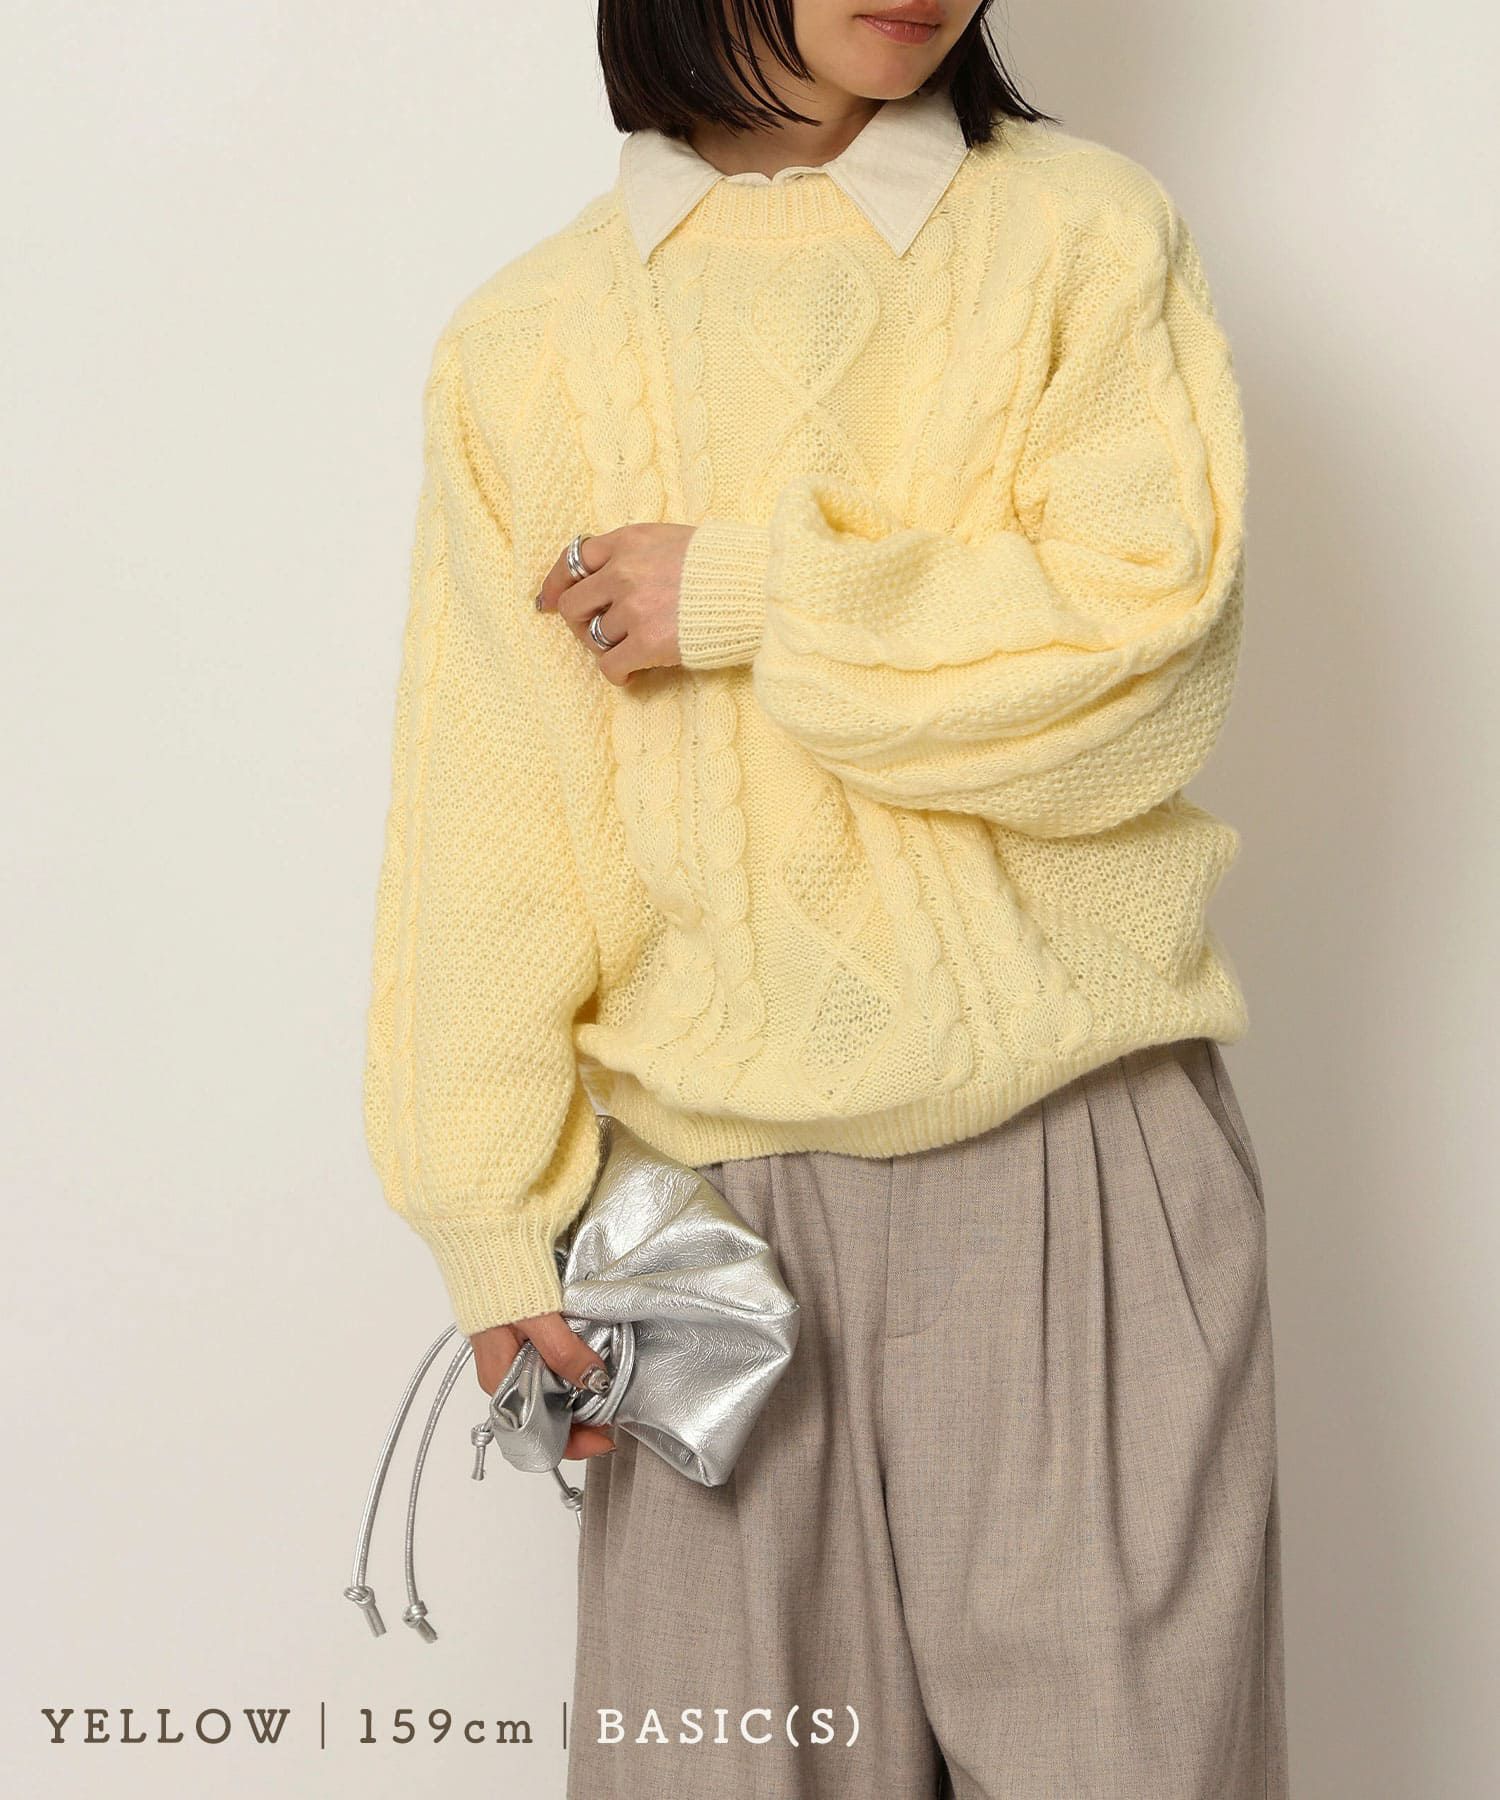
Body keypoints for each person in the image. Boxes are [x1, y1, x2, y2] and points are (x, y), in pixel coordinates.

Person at [360, 2, 1287, 1794]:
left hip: (1071, 1164)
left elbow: (1143, 667)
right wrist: (485, 1212)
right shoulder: (527, 341)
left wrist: (752, 598)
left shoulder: (1080, 235)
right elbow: (489, 814)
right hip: (699, 1228)